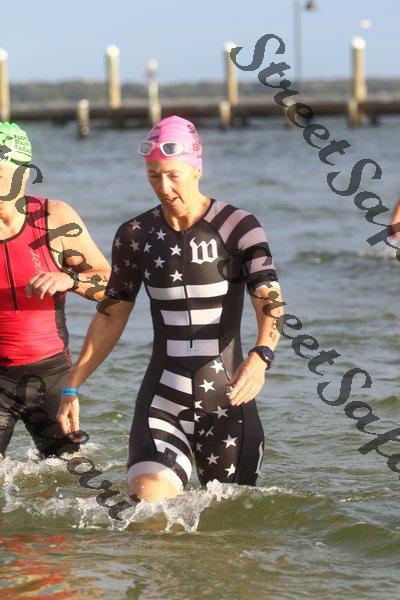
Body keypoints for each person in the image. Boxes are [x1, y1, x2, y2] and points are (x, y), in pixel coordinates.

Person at [57, 115, 284, 502]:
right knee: (148, 510)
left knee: (229, 524)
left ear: (197, 169)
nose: (164, 187)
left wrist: (262, 357)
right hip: (162, 398)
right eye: (154, 176)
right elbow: (112, 313)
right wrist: (72, 385)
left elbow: (269, 297)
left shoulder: (239, 226)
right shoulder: (135, 235)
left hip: (228, 401)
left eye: (173, 175)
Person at [0, 122, 110, 459]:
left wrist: (71, 281)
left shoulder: (53, 218)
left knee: (72, 477)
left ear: (22, 174)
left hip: (51, 378)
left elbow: (112, 285)